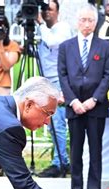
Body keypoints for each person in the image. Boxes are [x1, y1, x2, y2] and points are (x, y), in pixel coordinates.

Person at [58, 4, 109, 189]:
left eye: (90, 20)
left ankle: (94, 188)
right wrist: (73, 101)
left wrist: (93, 100)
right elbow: (62, 75)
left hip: (95, 106)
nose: (86, 24)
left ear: (96, 23)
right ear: (77, 22)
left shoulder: (104, 46)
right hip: (74, 106)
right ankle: (76, 188)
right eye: (83, 20)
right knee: (76, 148)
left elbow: (108, 75)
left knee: (95, 148)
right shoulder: (66, 47)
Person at [36, 0, 73, 178]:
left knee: (58, 124)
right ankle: (60, 161)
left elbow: (51, 42)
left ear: (57, 11)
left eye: (49, 9)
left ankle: (60, 163)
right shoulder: (41, 29)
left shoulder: (63, 28)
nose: (45, 13)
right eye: (43, 9)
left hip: (58, 81)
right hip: (45, 81)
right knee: (50, 124)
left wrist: (41, 24)